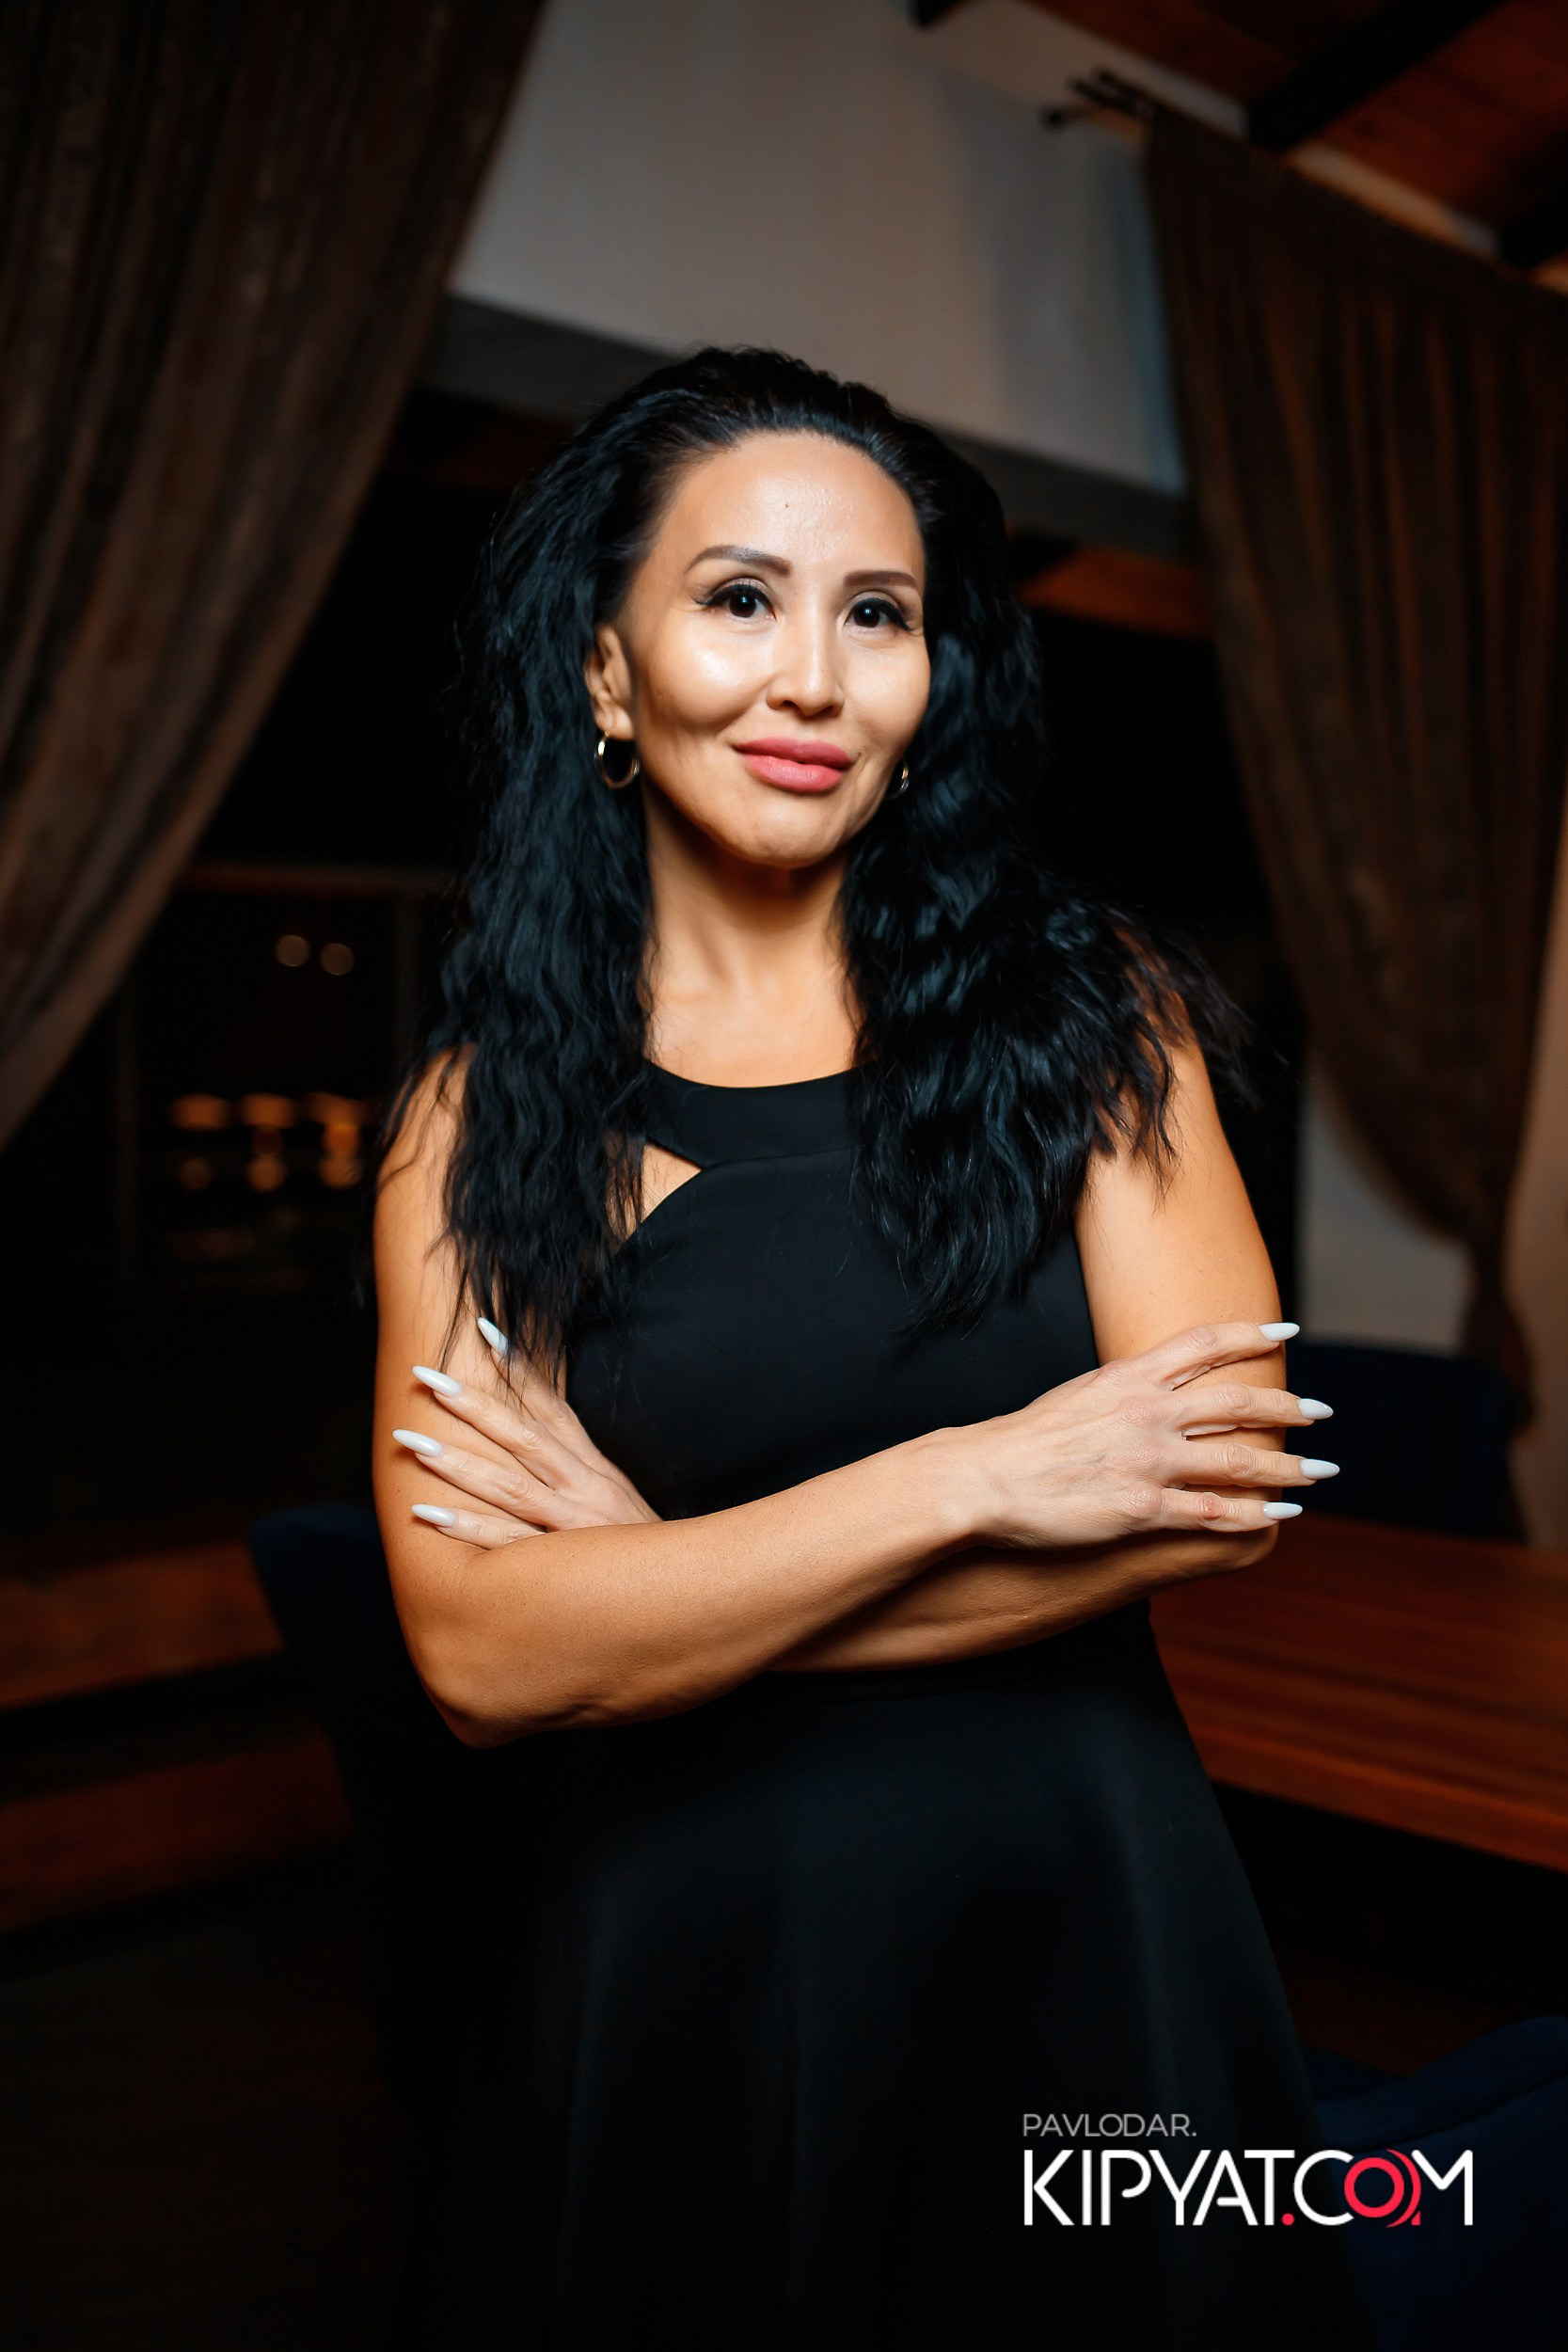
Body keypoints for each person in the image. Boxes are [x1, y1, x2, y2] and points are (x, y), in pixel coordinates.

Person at [372, 348, 1371, 2347]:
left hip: (1083, 1919)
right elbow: (481, 1658)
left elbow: (1224, 1489)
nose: (814, 679)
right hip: (685, 1949)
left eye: (879, 614)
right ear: (606, 669)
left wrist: (658, 1597)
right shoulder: (480, 1125)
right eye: (740, 598)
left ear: (931, 679)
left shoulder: (1092, 1022)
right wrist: (984, 1474)